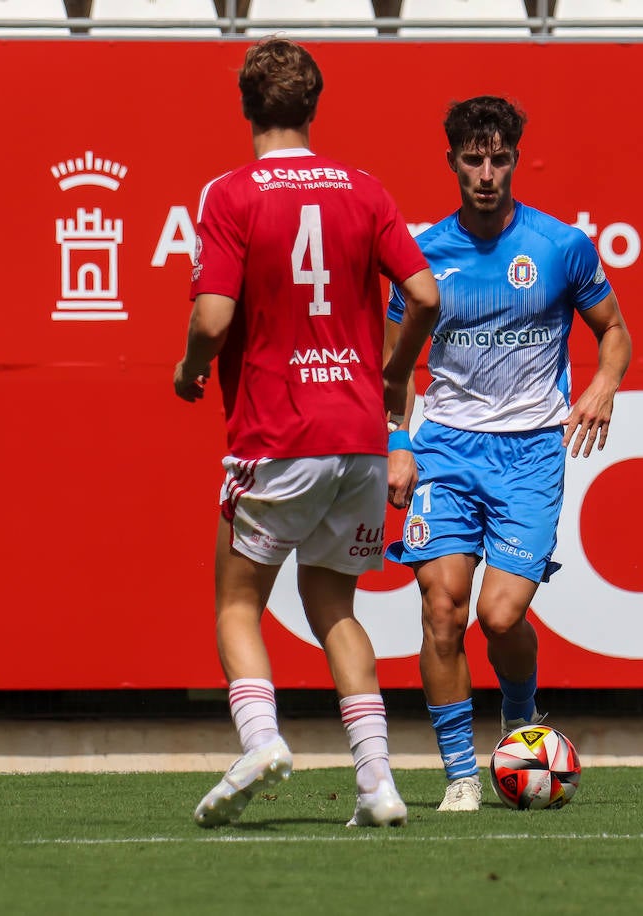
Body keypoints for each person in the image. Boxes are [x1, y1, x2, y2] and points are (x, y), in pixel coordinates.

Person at [173, 38, 440, 829]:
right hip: (359, 436)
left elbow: (213, 316)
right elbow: (423, 294)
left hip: (277, 431)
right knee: (334, 607)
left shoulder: (231, 193)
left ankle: (260, 740)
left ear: (248, 107)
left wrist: (189, 369)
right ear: (314, 106)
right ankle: (378, 784)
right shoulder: (362, 188)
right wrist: (393, 379)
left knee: (235, 605)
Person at [384, 96, 633, 812]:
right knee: (441, 609)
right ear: (453, 162)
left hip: (529, 455)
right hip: (447, 452)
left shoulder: (560, 247)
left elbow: (613, 330)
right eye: (473, 159)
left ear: (516, 160)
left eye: (499, 159)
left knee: (497, 617)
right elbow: (391, 369)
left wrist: (603, 386)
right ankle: (461, 775)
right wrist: (399, 444)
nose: (486, 173)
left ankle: (521, 719)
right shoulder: (424, 255)